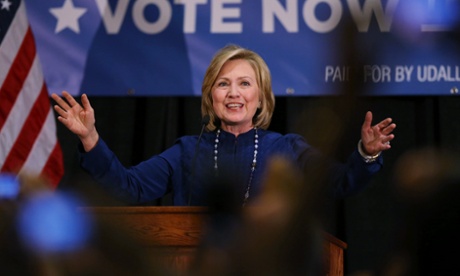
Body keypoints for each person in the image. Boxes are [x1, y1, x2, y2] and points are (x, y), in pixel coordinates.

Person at [51, 44, 396, 206]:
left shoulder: (287, 148)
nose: (234, 93)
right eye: (223, 83)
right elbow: (128, 187)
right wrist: (91, 139)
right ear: (210, 96)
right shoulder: (188, 150)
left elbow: (338, 183)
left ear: (261, 97)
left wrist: (365, 153)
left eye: (245, 84)